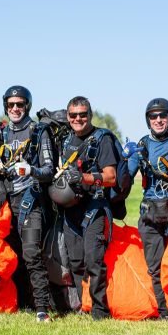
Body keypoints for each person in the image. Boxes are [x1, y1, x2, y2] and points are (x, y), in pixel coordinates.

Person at [122, 98, 168, 320]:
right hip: (150, 213)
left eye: (162, 116)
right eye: (153, 116)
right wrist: (124, 157)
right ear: (148, 120)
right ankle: (164, 310)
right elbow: (125, 179)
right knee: (155, 265)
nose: (158, 120)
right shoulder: (142, 145)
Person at [55, 96, 118, 320]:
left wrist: (85, 177)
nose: (78, 119)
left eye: (83, 114)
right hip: (71, 208)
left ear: (90, 115)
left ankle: (100, 311)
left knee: (94, 261)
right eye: (73, 115)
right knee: (76, 262)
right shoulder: (65, 139)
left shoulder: (102, 139)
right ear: (68, 117)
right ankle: (85, 305)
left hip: (95, 207)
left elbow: (111, 177)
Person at [0, 85, 54, 322]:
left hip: (32, 198)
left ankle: (41, 307)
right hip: (7, 199)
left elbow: (49, 170)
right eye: (11, 105)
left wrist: (32, 170)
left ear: (27, 105)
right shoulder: (1, 133)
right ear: (5, 107)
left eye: (20, 104)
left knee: (31, 253)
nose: (16, 108)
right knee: (13, 253)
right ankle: (21, 302)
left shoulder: (39, 131)